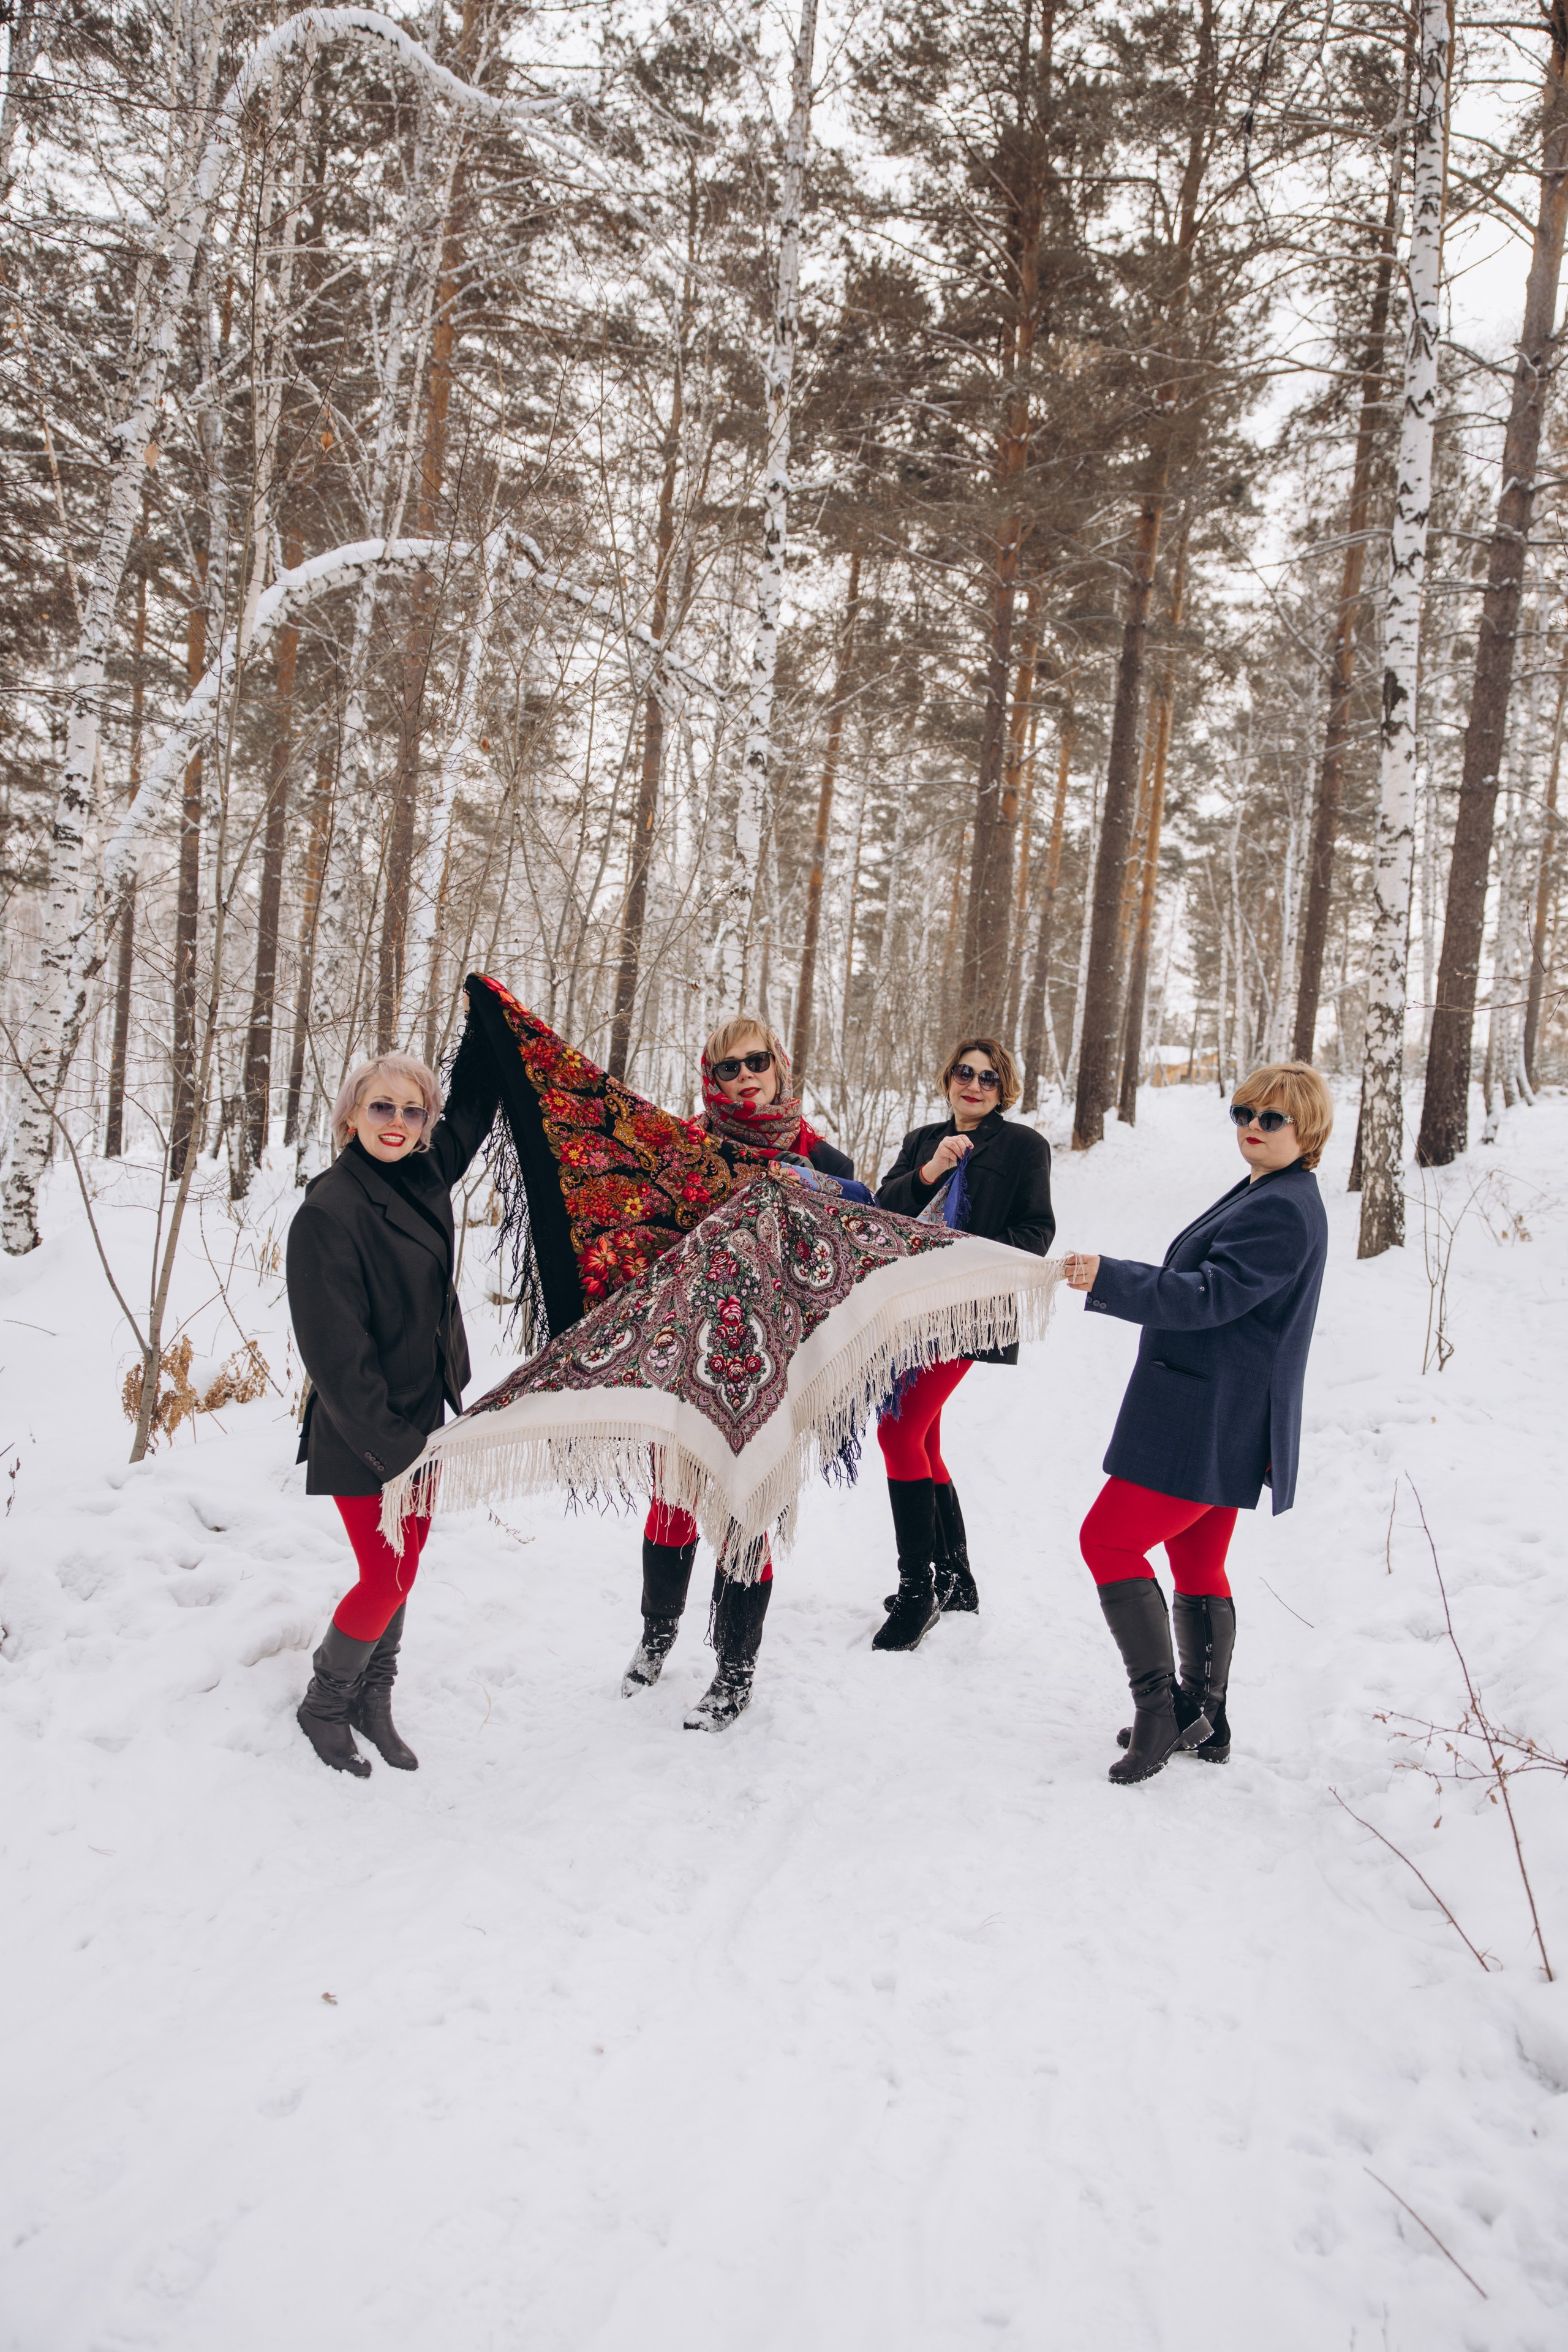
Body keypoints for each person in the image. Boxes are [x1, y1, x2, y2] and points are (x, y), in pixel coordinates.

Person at [1064, 1060, 1333, 1785]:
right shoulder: (1269, 1189)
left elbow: (1212, 1295)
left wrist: (1111, 1277)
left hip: (1205, 1416)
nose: (1252, 1125)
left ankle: (1160, 1715)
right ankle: (1203, 1716)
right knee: (1196, 1560)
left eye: (1271, 1118)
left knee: (1106, 1540)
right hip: (1217, 1409)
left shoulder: (1282, 1205)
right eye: (1244, 1111)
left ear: (1305, 1129)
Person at [622, 1013, 856, 1731]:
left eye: (756, 1061)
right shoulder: (684, 1151)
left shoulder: (828, 1163)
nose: (745, 1076)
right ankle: (657, 1632)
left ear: (780, 1066)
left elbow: (855, 1255)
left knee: (746, 1512)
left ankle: (734, 1668)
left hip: (773, 1368)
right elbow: (640, 1238)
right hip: (689, 1357)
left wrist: (821, 1194)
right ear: (709, 1077)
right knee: (673, 1504)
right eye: (728, 1067)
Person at [287, 1042, 498, 1776]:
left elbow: (473, 1108)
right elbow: (335, 1360)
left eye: (413, 1111)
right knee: (384, 1577)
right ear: (350, 1115)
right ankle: (324, 1701)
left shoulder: (424, 1174)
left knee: (403, 1570)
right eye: (382, 1107)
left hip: (424, 1416)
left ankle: (373, 1699)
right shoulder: (330, 1210)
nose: (399, 1122)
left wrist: (489, 1024)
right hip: (364, 1430)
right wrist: (396, 1450)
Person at [873, 1036, 1055, 1649]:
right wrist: (932, 1170)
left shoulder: (1024, 1146)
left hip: (965, 1312)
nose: (974, 1085)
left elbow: (1037, 1230)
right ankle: (956, 1579)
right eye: (964, 1073)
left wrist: (966, 1262)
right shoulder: (924, 1141)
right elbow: (882, 1211)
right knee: (922, 1437)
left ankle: (917, 1591)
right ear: (947, 1077)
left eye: (989, 1078)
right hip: (907, 1311)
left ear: (1004, 1090)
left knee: (897, 1431)